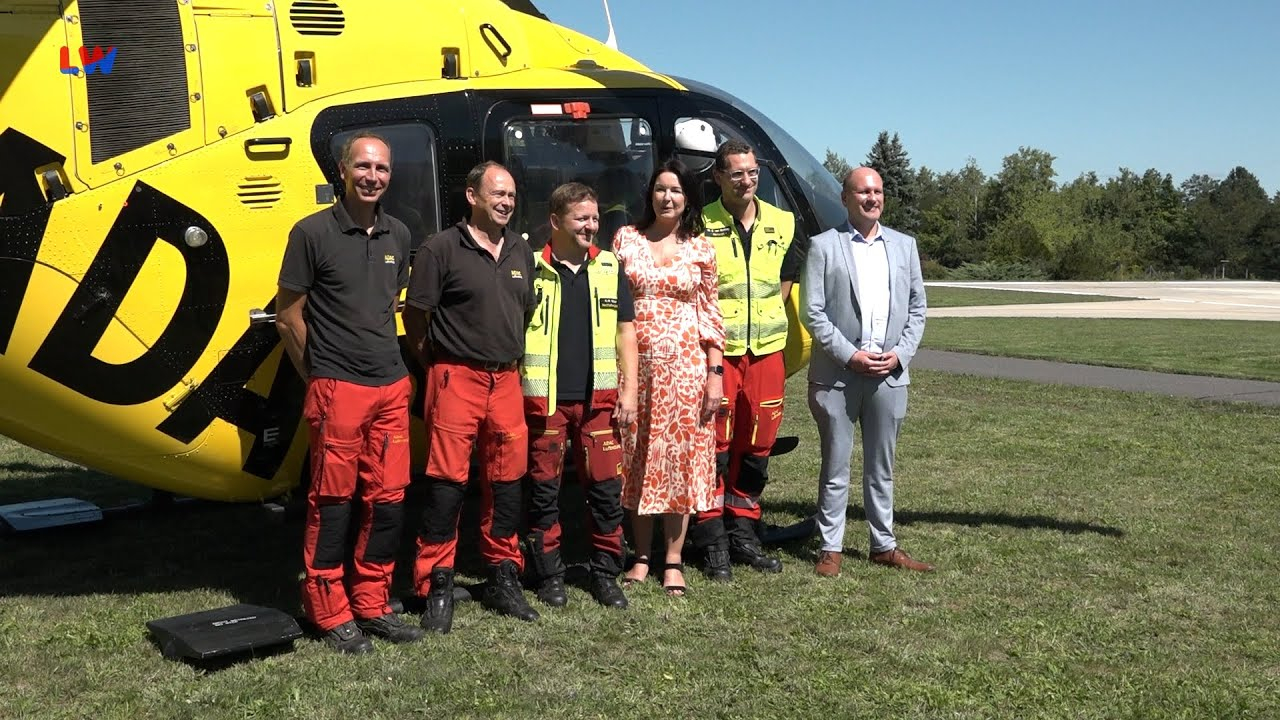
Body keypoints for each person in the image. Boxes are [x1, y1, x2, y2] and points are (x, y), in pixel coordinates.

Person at [275, 132, 425, 654]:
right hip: (338, 389)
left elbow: (390, 307)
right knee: (333, 503)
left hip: (389, 387)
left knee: (387, 502)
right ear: (342, 171)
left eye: (381, 169)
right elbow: (288, 315)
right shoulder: (311, 232)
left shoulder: (399, 234)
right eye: (363, 166)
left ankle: (372, 601)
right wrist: (317, 374)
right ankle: (327, 608)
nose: (373, 177)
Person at [403, 161, 539, 633]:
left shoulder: (521, 250)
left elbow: (523, 314)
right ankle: (435, 581)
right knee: (446, 482)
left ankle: (504, 573)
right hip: (454, 376)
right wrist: (435, 366)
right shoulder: (440, 248)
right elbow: (416, 319)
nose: (506, 202)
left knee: (507, 480)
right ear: (472, 196)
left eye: (511, 196)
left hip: (506, 380)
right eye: (497, 194)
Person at [802, 167, 933, 578]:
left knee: (882, 466)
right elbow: (813, 312)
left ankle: (884, 544)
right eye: (862, 191)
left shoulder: (905, 246)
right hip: (839, 376)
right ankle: (830, 548)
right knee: (835, 464)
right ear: (845, 198)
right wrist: (850, 355)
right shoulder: (824, 246)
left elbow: (918, 309)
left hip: (889, 375)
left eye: (877, 191)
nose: (871, 198)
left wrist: (900, 355)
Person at [690, 140, 805, 581]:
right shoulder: (701, 222)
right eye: (736, 173)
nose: (746, 180)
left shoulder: (783, 222)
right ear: (718, 177)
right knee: (713, 447)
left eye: (752, 172)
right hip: (719, 354)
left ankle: (744, 533)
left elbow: (787, 278)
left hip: (767, 354)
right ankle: (712, 540)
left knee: (757, 448)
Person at [522, 182, 639, 610]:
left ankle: (606, 574)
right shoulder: (530, 266)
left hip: (600, 404)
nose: (592, 225)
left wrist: (629, 391)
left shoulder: (610, 265)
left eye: (595, 218)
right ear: (556, 222)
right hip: (545, 403)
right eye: (582, 218)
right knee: (543, 492)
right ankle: (548, 574)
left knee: (607, 493)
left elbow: (627, 331)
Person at [611, 159, 725, 597]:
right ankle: (641, 556)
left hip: (686, 370)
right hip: (635, 368)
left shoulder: (701, 248)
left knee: (678, 462)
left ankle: (673, 560)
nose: (667, 197)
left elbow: (711, 315)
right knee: (636, 457)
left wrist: (715, 375)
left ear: (688, 198)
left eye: (676, 191)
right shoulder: (626, 240)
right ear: (650, 194)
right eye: (661, 189)